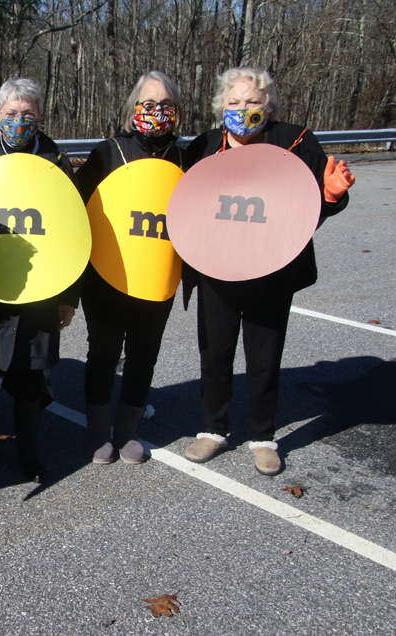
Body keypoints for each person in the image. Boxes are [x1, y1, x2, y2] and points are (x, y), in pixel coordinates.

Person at [181, 67, 355, 475]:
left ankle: (262, 436)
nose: (244, 110)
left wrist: (330, 196)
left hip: (271, 269)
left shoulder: (295, 142)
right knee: (215, 352)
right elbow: (185, 204)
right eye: (235, 103)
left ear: (269, 105)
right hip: (218, 268)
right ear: (221, 107)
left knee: (264, 356)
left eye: (254, 102)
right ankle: (213, 429)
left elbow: (309, 208)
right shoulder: (203, 146)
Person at [0, 78, 77, 490]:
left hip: (41, 288)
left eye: (28, 115)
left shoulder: (56, 161)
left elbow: (74, 232)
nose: (19, 122)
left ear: (40, 118)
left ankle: (28, 452)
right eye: (11, 114)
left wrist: (68, 298)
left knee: (30, 376)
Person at [73, 70, 185, 465]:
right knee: (103, 353)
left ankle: (128, 432)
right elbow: (76, 210)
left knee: (143, 355)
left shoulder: (186, 158)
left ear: (178, 111)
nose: (157, 112)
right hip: (106, 275)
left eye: (166, 105)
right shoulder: (107, 153)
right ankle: (99, 432)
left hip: (158, 275)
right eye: (149, 104)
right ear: (134, 109)